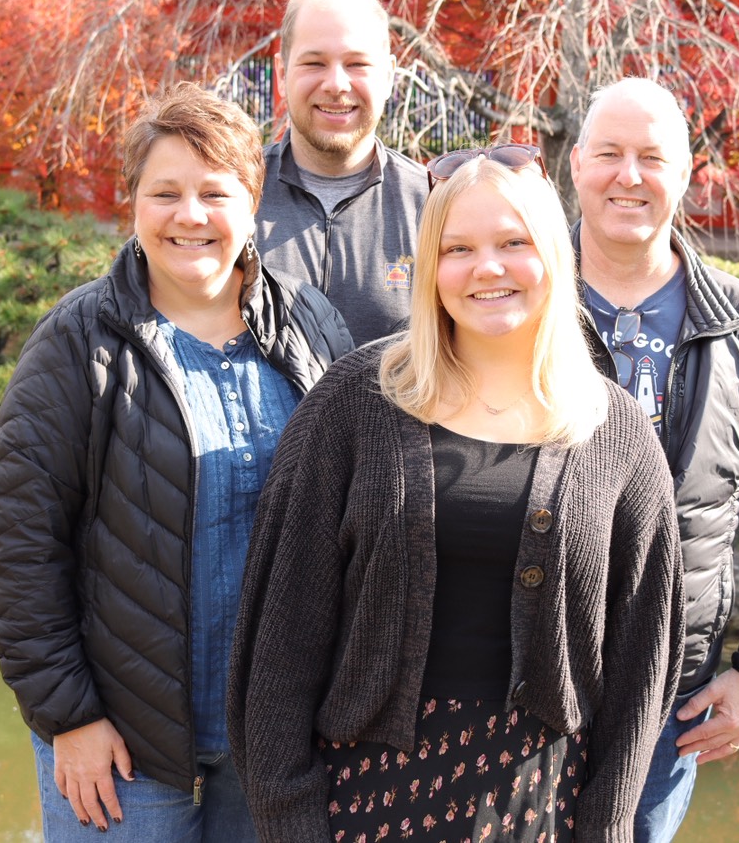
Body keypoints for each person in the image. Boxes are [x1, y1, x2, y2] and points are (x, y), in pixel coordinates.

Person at [229, 149, 684, 843]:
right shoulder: (354, 403)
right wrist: (289, 815)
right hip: (364, 801)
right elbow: (280, 632)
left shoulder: (615, 432)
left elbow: (642, 661)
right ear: (428, 268)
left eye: (512, 243)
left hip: (540, 804)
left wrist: (608, 821)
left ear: (553, 258)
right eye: (458, 248)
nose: (487, 267)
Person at [0, 83, 353, 840]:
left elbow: (358, 522)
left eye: (214, 192)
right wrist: (68, 715)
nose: (190, 215)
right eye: (165, 192)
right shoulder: (78, 340)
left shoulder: (312, 326)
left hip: (276, 737)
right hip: (122, 744)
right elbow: (17, 543)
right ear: (134, 204)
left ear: (253, 202)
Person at [568, 78, 739, 842]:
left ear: (685, 174)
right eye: (609, 153)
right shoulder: (517, 304)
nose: (628, 175)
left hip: (667, 698)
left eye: (652, 157)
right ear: (575, 163)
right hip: (518, 687)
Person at [256, 0, 429, 345]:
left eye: (357, 63)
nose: (336, 84)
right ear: (282, 72)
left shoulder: (431, 205)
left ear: (388, 75)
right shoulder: (233, 196)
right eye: (314, 63)